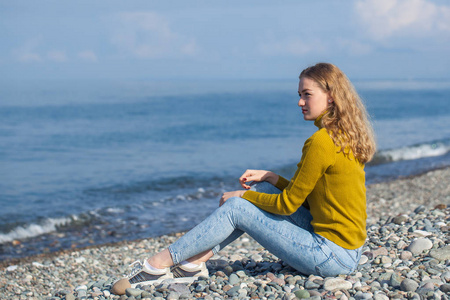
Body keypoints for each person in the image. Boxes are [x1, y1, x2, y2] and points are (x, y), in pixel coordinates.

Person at [114, 62, 376, 290]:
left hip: (330, 257)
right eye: (299, 95)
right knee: (262, 189)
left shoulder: (320, 142)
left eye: (307, 95)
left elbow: (288, 205)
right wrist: (273, 178)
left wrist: (241, 196)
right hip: (346, 249)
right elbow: (310, 198)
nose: (300, 102)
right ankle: (193, 263)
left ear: (331, 96)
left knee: (238, 207)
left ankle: (156, 265)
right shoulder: (342, 134)